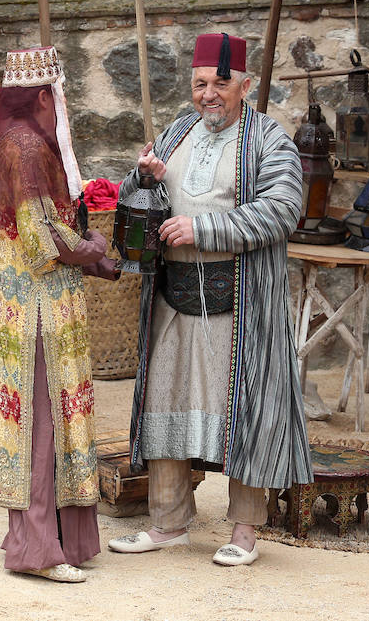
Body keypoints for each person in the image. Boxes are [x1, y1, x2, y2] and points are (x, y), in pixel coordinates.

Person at [109, 32, 312, 566]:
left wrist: (204, 228)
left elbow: (284, 210)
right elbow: (143, 200)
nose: (209, 94)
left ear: (244, 84)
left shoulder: (271, 140)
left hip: (240, 302)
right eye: (200, 84)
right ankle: (168, 523)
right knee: (167, 403)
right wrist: (147, 179)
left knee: (244, 410)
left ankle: (244, 531)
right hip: (173, 297)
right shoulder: (176, 132)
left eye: (221, 83)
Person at [0, 46, 118, 584]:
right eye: (59, 93)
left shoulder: (24, 143)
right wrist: (94, 246)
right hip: (33, 312)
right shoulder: (26, 147)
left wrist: (95, 260)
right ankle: (37, 547)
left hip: (39, 307)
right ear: (42, 95)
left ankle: (59, 538)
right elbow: (41, 239)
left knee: (55, 420)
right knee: (40, 426)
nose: (63, 104)